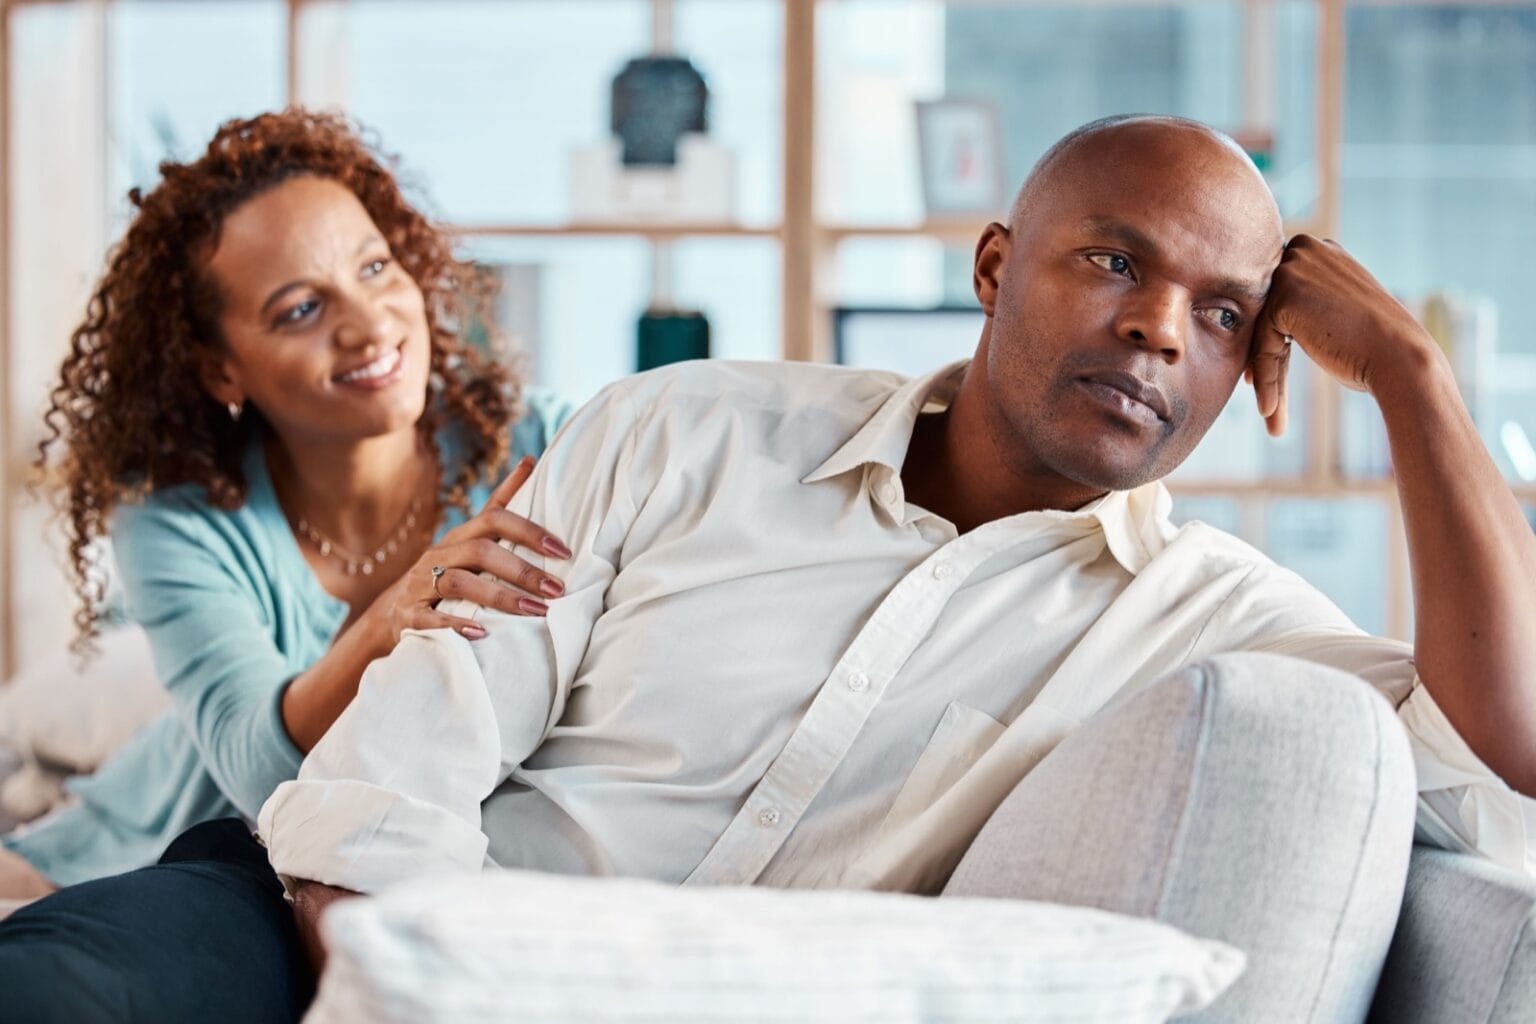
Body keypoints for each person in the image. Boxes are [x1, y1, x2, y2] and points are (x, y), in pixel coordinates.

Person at [5, 115, 1535, 1022]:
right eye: (1116, 261)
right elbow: (396, 777)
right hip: (316, 919)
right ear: (998, 267)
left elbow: (1503, 761)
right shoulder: (686, 430)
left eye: (1221, 313)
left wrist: (1411, 378)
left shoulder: (1215, 625)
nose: (1156, 329)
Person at [0, 109, 574, 901]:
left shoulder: (547, 442)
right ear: (220, 370)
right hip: (158, 849)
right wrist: (392, 611)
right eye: (301, 309)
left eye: (375, 268)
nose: (369, 324)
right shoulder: (176, 520)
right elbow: (254, 765)